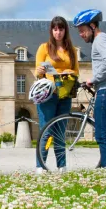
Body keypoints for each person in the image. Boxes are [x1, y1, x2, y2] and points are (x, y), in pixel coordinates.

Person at [73, 9, 106, 169]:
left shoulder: (99, 40)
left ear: (92, 26)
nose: (81, 35)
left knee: (103, 135)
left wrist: (93, 79)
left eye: (82, 30)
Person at [33, 16, 79, 173]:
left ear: (65, 30)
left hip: (65, 94)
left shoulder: (71, 50)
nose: (58, 32)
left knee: (60, 133)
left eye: (61, 29)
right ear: (51, 31)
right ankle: (41, 166)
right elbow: (37, 72)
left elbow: (77, 72)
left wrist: (69, 71)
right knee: (46, 132)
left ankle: (62, 167)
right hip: (48, 94)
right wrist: (39, 72)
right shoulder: (44, 48)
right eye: (55, 29)